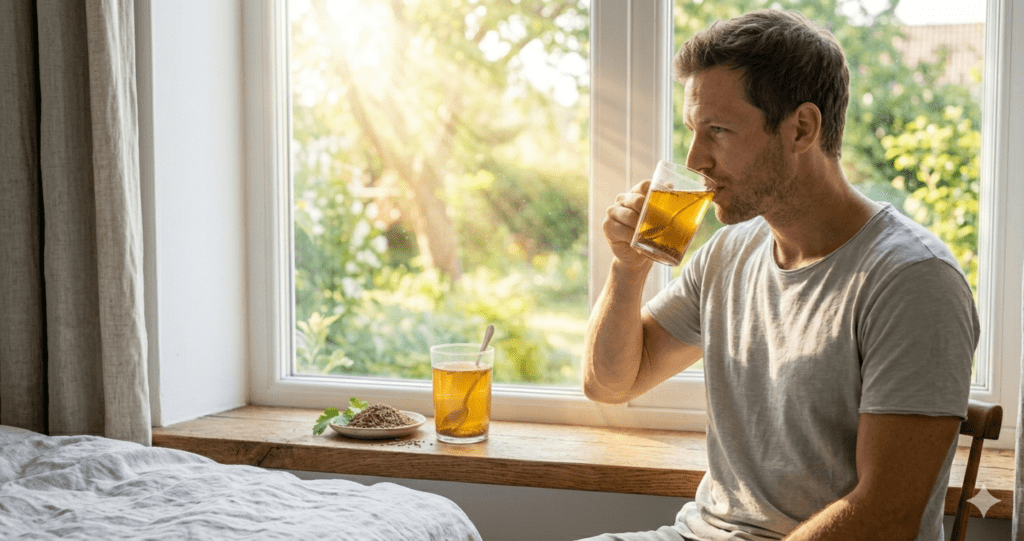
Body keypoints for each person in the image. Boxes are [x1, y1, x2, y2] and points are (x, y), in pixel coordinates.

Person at [580, 9, 979, 541]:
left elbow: (886, 514)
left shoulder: (913, 280)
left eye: (718, 131)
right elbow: (611, 383)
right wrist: (628, 268)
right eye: (693, 131)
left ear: (802, 129)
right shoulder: (729, 253)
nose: (696, 160)